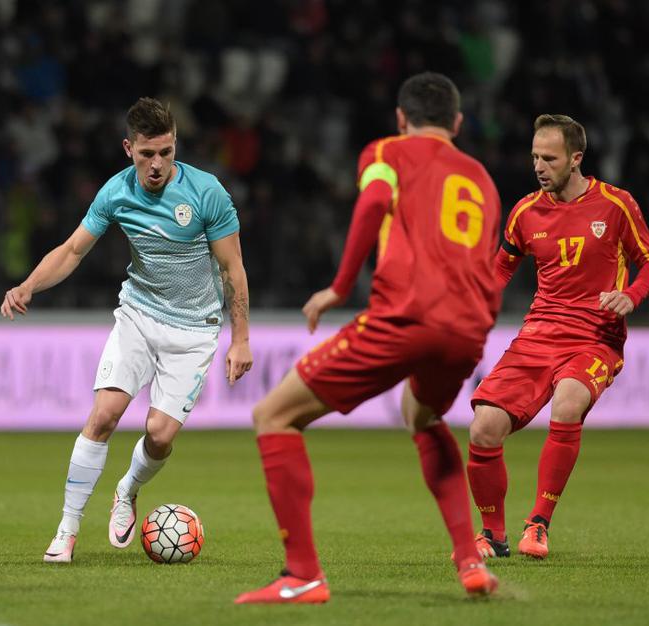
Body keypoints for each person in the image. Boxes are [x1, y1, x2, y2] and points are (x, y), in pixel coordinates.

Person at [235, 72, 502, 604]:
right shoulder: (483, 180)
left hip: (406, 318)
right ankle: (470, 560)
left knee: (273, 416)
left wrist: (339, 287)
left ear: (402, 119)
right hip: (469, 331)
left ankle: (303, 575)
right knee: (422, 416)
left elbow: (374, 202)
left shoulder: (386, 151)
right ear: (457, 123)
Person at [0, 97, 253, 563]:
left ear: (175, 146)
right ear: (128, 148)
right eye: (147, 154)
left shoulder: (207, 192)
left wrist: (240, 339)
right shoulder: (116, 193)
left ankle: (128, 487)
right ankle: (66, 530)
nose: (157, 164)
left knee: (159, 435)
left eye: (166, 152)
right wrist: (28, 285)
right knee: (103, 417)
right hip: (139, 315)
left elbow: (232, 268)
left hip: (194, 330)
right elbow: (72, 251)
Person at [466, 114, 649, 561]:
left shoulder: (615, 205)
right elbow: (501, 269)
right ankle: (492, 535)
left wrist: (631, 296)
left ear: (576, 159)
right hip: (538, 335)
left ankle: (538, 523)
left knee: (568, 402)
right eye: (535, 157)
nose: (539, 167)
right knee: (483, 428)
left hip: (595, 337)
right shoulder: (525, 212)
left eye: (550, 159)